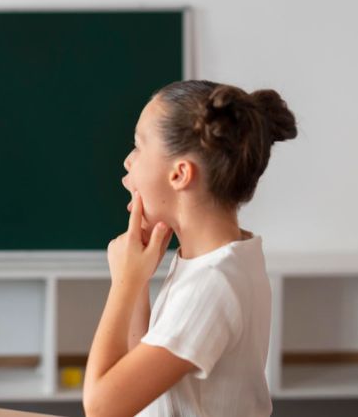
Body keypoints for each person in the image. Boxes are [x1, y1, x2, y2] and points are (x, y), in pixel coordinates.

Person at [83, 80, 297, 416]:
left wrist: (122, 284)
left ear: (180, 174)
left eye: (138, 147)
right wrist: (137, 284)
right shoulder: (219, 260)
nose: (127, 161)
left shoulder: (212, 284)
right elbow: (144, 380)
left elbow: (102, 406)